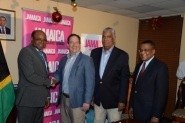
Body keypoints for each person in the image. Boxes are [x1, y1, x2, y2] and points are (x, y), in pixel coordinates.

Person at [15, 30, 56, 123]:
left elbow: (44, 75)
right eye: (39, 39)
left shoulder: (43, 55)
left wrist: (47, 96)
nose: (42, 42)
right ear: (32, 39)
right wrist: (50, 82)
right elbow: (31, 76)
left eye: (44, 40)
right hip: (27, 101)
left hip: (39, 100)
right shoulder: (26, 52)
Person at [90, 27, 130, 123]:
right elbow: (92, 76)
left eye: (108, 36)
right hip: (98, 99)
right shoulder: (94, 53)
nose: (105, 39)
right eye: (104, 36)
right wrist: (91, 95)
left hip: (114, 101)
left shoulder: (122, 55)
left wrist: (122, 100)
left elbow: (124, 80)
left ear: (114, 38)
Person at [54, 34, 95, 123]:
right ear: (68, 45)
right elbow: (59, 73)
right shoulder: (63, 59)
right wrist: (53, 80)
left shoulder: (87, 60)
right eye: (71, 42)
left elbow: (90, 83)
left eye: (76, 42)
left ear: (80, 45)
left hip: (78, 101)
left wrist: (87, 101)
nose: (74, 45)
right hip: (64, 99)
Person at [129, 40, 169, 123]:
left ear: (153, 51)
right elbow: (134, 89)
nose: (142, 52)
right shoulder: (138, 66)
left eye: (146, 50)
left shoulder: (160, 67)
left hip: (150, 113)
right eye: (141, 50)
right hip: (136, 110)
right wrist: (131, 106)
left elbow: (161, 94)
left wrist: (156, 115)